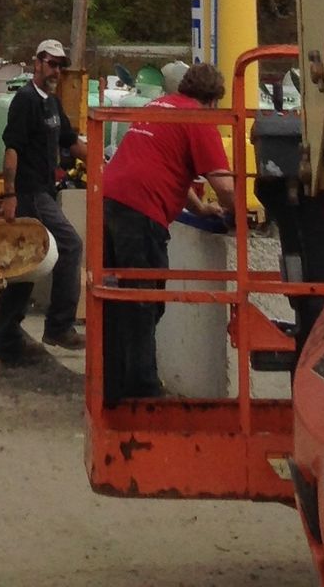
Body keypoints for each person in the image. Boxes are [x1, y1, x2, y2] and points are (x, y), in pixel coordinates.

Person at [98, 59, 235, 404]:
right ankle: (143, 392)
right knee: (145, 300)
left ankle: (112, 388)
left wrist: (199, 208)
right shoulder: (198, 119)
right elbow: (225, 186)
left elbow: (162, 163)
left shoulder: (159, 106)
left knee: (118, 300)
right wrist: (240, 213)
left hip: (110, 199)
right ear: (213, 100)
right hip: (141, 211)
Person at [0, 36, 83, 364]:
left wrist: (106, 162)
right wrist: (10, 195)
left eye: (60, 65)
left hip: (45, 191)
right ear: (37, 63)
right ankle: (59, 326)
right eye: (50, 63)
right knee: (71, 245)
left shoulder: (52, 103)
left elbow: (70, 142)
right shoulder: (26, 101)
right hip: (29, 193)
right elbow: (12, 149)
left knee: (26, 263)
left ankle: (7, 339)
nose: (55, 70)